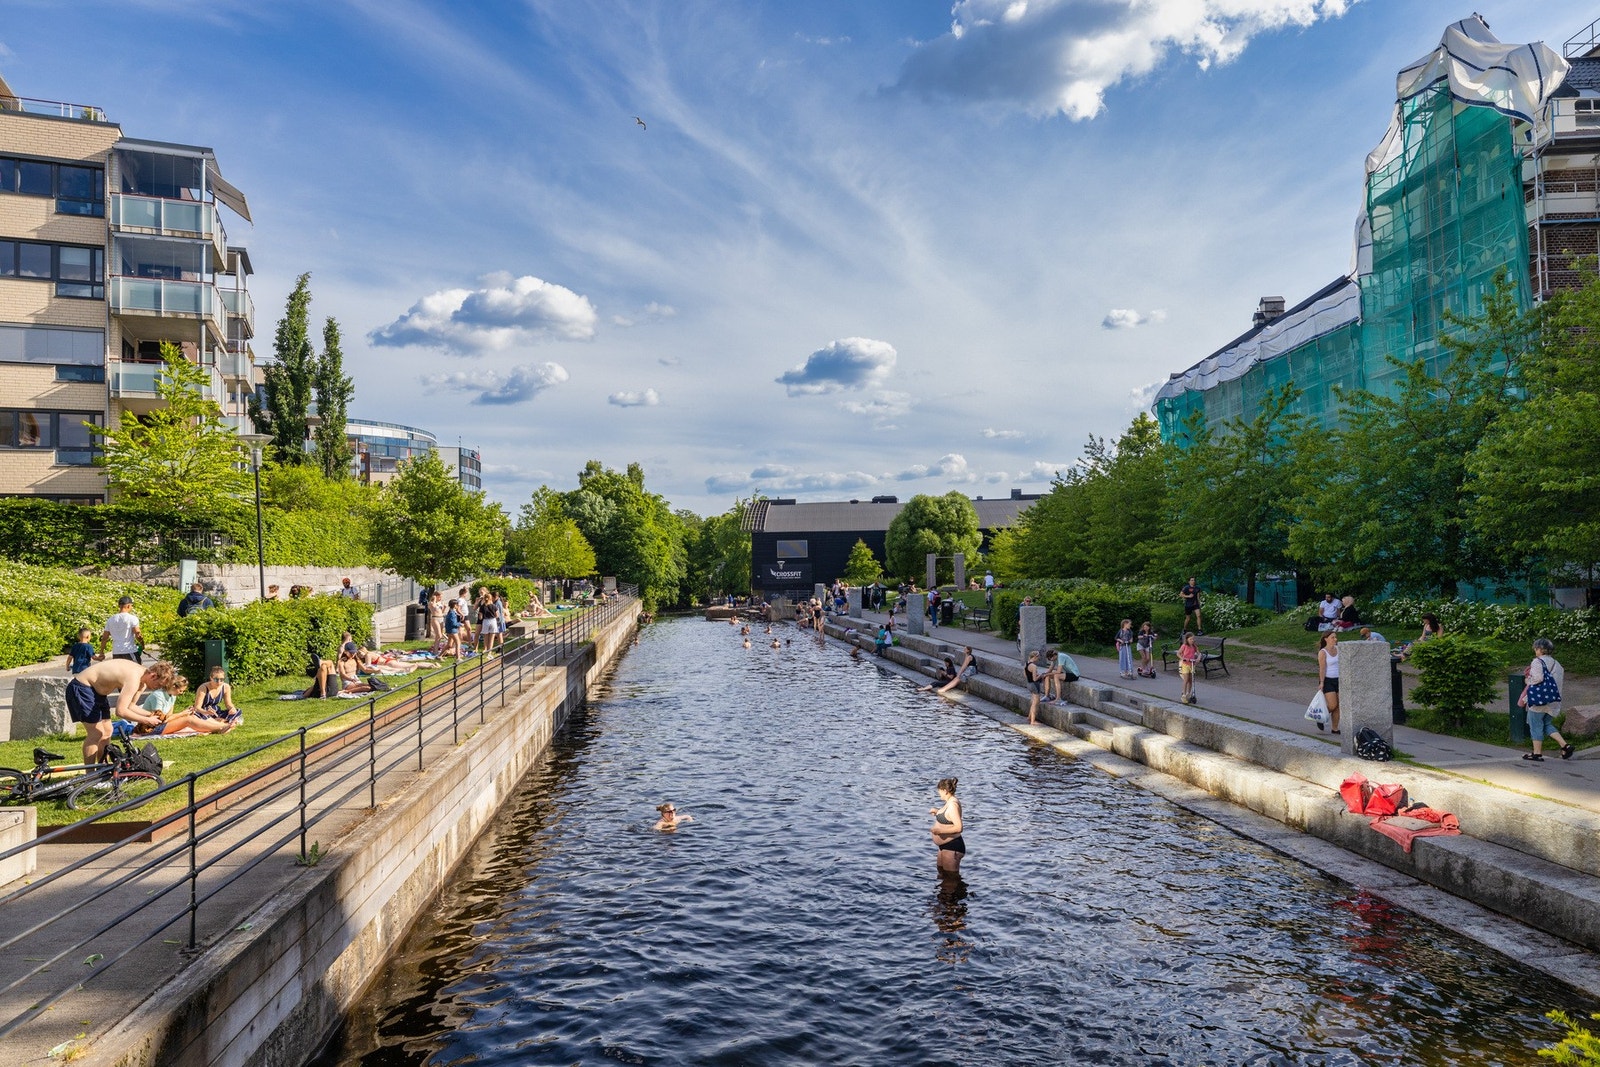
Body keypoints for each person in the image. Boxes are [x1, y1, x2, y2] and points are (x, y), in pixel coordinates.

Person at [65, 659, 180, 764]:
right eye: (159, 684)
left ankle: (102, 768)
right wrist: (147, 720)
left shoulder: (142, 683)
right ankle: (90, 776)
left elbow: (131, 706)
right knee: (96, 733)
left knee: (107, 731)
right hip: (82, 687)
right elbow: (120, 711)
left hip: (97, 693)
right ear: (153, 676)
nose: (157, 688)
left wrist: (151, 715)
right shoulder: (134, 678)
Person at [1521, 638, 1574, 762]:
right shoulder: (1557, 664)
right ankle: (1566, 746)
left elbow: (1538, 678)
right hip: (1553, 700)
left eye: (1536, 648)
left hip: (1539, 700)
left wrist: (1527, 680)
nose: (1535, 650)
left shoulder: (1537, 662)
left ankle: (1537, 753)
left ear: (1540, 649)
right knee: (1546, 724)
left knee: (1535, 725)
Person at [929, 777, 964, 873]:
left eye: (939, 791)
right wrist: (937, 812)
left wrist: (940, 831)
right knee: (941, 873)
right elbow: (948, 817)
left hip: (952, 847)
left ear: (945, 791)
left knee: (950, 879)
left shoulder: (953, 805)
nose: (938, 793)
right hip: (945, 846)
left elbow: (959, 827)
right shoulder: (949, 802)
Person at [100, 596, 143, 663]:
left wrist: (101, 652)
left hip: (116, 653)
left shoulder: (110, 619)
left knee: (119, 673)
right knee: (137, 671)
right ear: (128, 606)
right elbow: (137, 634)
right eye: (131, 606)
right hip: (129, 651)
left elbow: (105, 638)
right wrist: (142, 644)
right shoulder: (132, 618)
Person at [1317, 631, 1341, 734]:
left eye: (1335, 637)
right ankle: (1321, 717)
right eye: (1332, 637)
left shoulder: (1339, 649)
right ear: (1326, 639)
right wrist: (1322, 682)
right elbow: (1322, 668)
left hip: (1339, 679)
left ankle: (1334, 728)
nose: (1335, 639)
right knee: (1332, 705)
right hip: (1328, 680)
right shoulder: (1323, 652)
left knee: (1339, 706)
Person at [1024, 651, 1045, 725]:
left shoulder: (1026, 663)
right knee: (1035, 703)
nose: (1039, 659)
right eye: (1038, 657)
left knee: (1033, 701)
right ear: (1035, 657)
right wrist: (1041, 675)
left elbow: (1025, 674)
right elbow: (1035, 679)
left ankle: (1029, 717)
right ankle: (1033, 721)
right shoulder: (1034, 666)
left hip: (1029, 684)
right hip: (1034, 685)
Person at [1178, 632, 1199, 705]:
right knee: (1186, 679)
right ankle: (1183, 694)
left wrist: (1198, 658)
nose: (1192, 640)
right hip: (1185, 664)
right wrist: (1183, 658)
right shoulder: (1184, 646)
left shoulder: (1194, 646)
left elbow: (1199, 653)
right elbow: (1178, 653)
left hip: (1192, 664)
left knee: (1191, 680)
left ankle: (1188, 693)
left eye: (1193, 639)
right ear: (1187, 639)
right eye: (1190, 639)